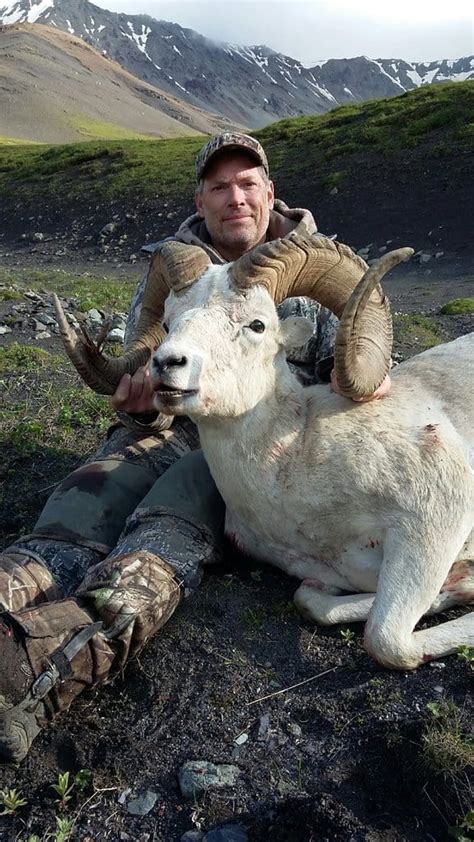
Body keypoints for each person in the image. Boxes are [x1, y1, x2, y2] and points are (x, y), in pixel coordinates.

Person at [0, 132, 387, 764]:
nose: (234, 197)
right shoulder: (178, 268)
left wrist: (366, 372)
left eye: (247, 184)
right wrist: (133, 390)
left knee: (170, 515)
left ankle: (44, 661)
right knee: (83, 499)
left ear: (268, 192)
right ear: (200, 198)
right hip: (170, 421)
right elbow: (143, 347)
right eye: (218, 186)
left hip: (266, 446)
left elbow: (366, 357)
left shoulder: (308, 264)